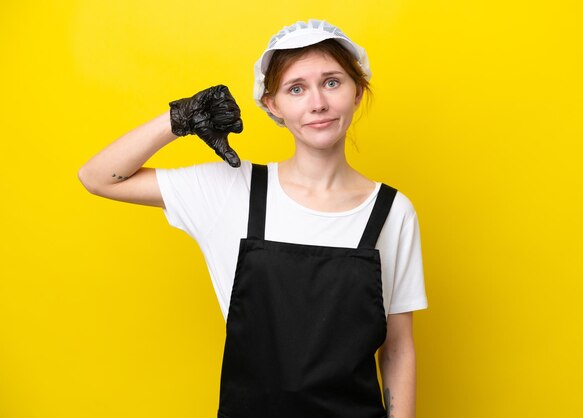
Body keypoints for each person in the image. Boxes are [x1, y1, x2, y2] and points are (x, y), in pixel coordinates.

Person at [78, 19, 427, 418]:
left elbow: (398, 347)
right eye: (296, 88)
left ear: (357, 89)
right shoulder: (230, 190)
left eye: (332, 82)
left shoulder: (392, 211)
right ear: (271, 104)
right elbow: (98, 177)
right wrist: (180, 119)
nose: (318, 103)